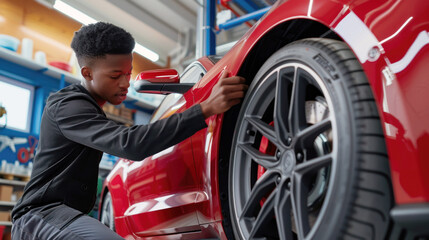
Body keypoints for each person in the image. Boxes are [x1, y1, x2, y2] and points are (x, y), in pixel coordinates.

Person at [11, 22, 247, 239]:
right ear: (87, 73)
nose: (125, 83)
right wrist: (204, 108)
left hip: (65, 217)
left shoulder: (89, 109)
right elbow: (130, 143)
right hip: (40, 216)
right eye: (115, 75)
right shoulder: (68, 106)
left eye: (128, 73)